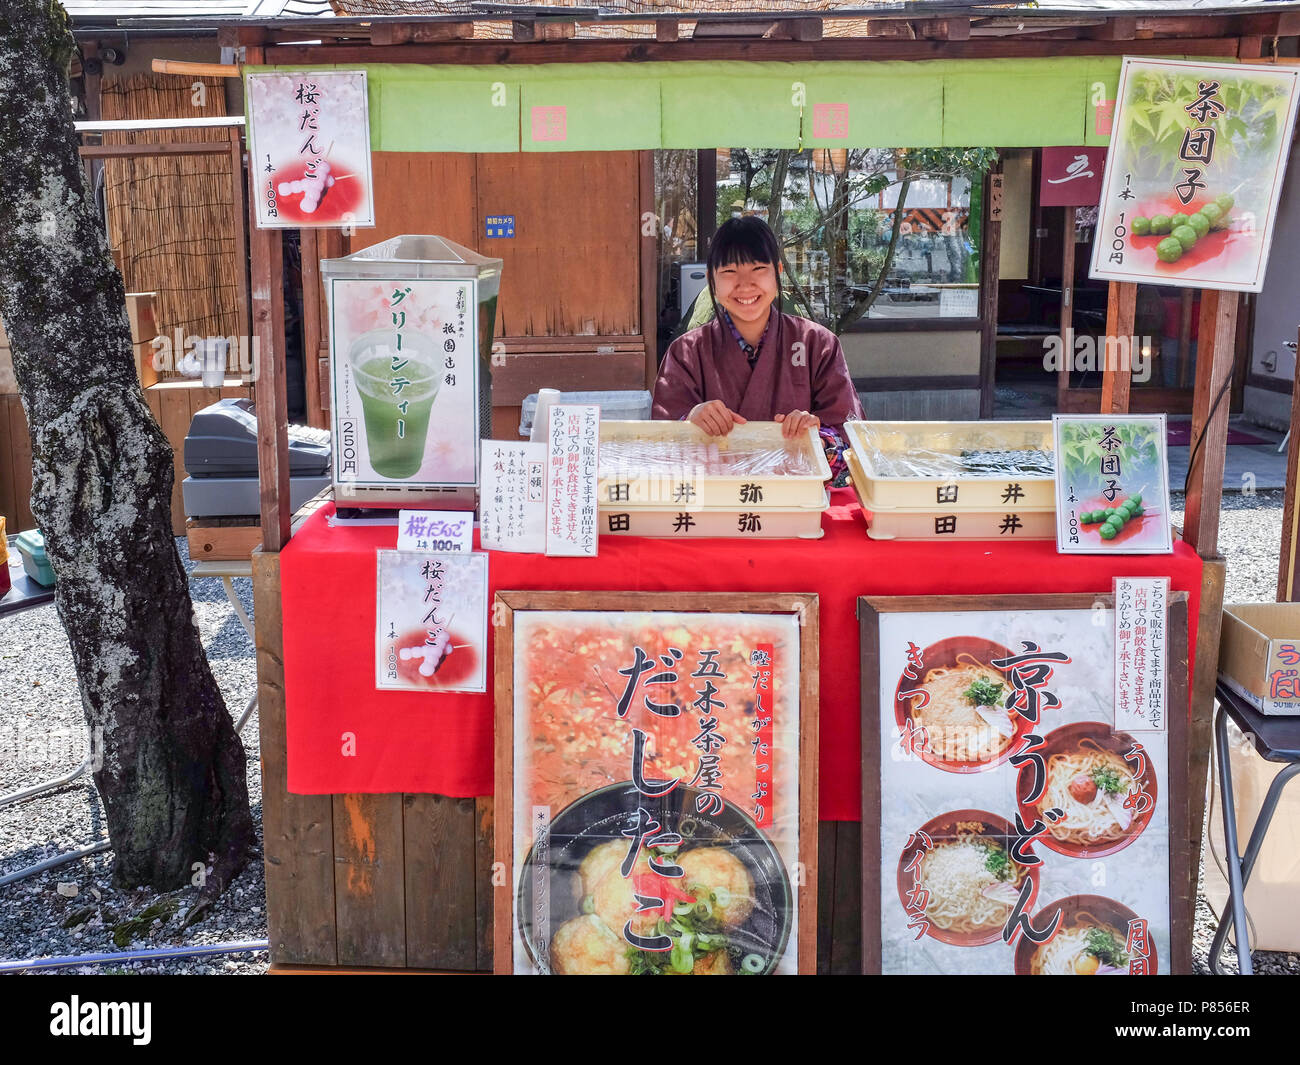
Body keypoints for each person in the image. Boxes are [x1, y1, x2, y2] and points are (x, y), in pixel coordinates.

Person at [652, 217, 864, 449]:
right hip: (716, 483)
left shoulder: (817, 344)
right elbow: (663, 440)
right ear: (711, 279)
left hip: (796, 484)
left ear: (778, 271)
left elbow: (849, 434)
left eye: (759, 268)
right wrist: (690, 420)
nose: (745, 284)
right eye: (730, 271)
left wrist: (817, 434)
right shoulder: (686, 352)